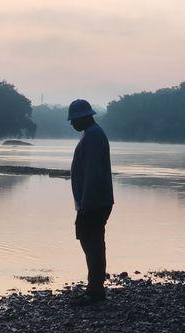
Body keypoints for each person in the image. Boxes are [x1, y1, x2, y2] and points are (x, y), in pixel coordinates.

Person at [68, 99, 114, 305]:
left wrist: (85, 205)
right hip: (94, 201)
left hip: (94, 202)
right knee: (92, 243)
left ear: (85, 117)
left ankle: (95, 291)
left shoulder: (94, 136)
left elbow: (93, 174)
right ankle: (94, 288)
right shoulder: (92, 134)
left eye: (74, 119)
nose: (72, 124)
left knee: (92, 244)